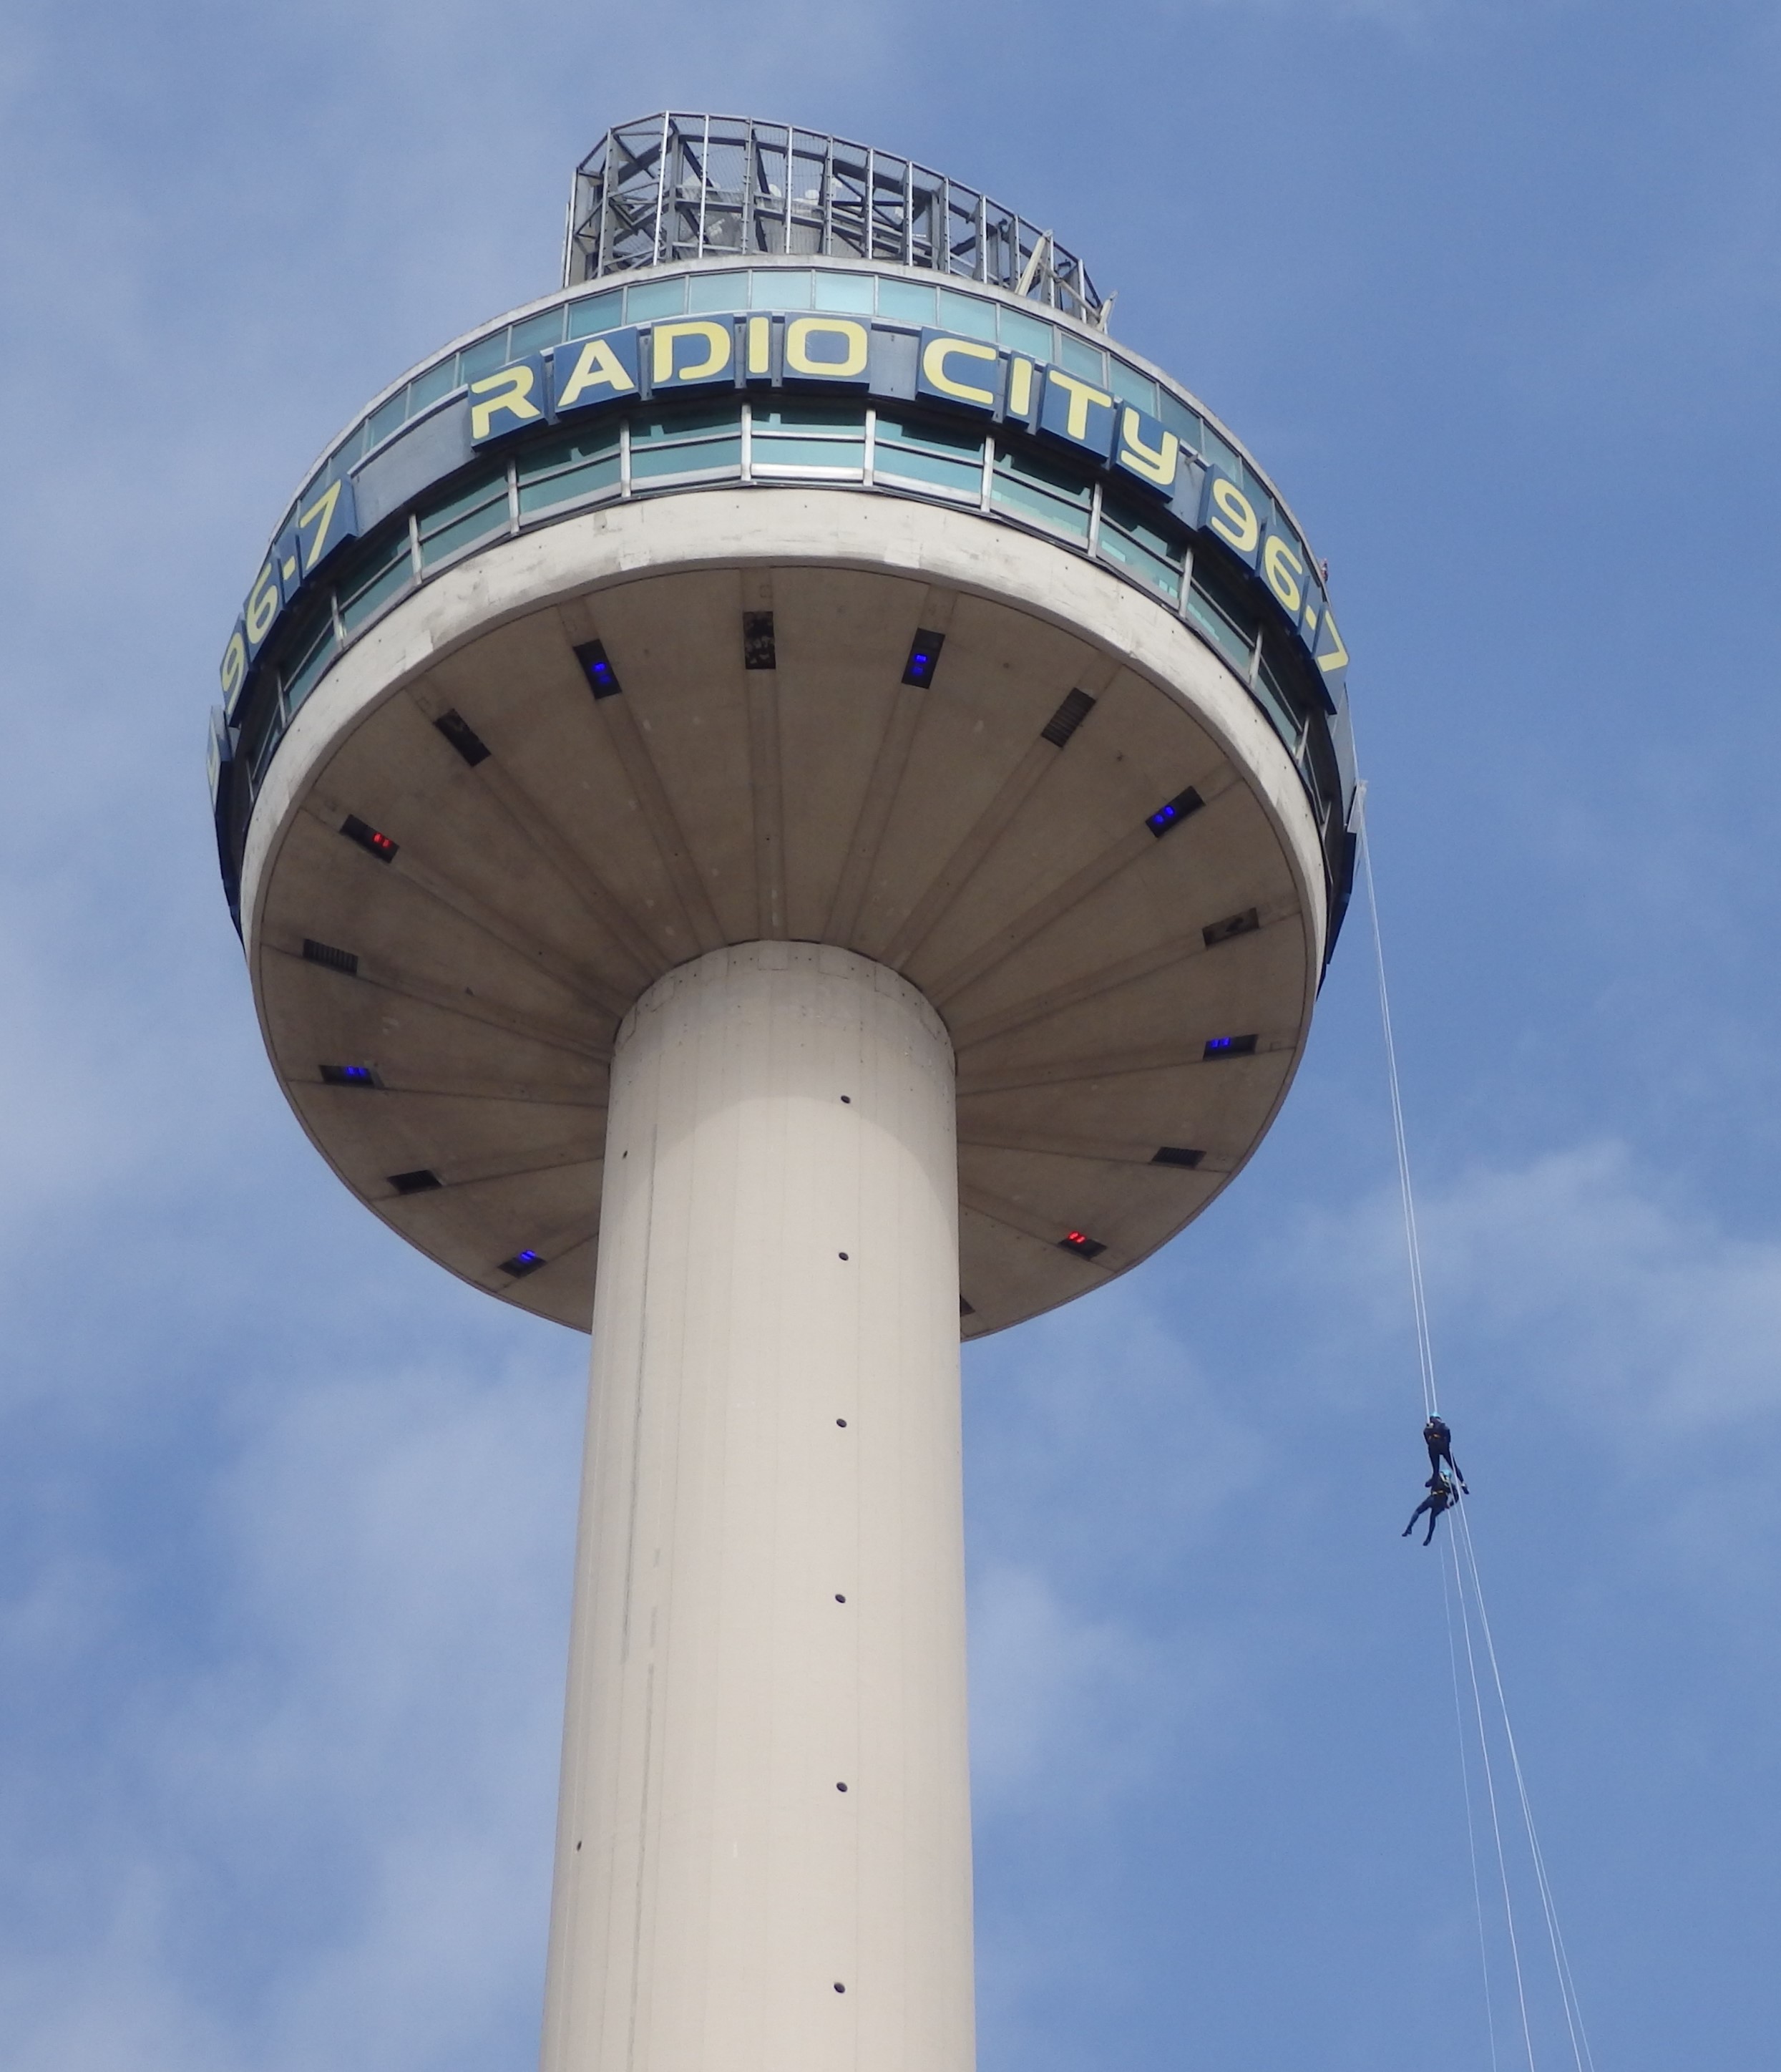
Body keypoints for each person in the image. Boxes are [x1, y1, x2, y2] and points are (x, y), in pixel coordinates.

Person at [1402, 1473, 1456, 1547]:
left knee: (1418, 1511)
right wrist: (1450, 1504)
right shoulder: (1451, 1485)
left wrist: (1431, 1481)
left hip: (1433, 1498)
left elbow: (1427, 1484)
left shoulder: (1437, 1478)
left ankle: (1409, 1528)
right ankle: (1429, 1537)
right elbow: (1456, 1497)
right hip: (1442, 1502)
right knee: (1433, 1517)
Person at [1423, 1415, 1468, 1492]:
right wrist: (1446, 1444)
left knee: (1436, 1468)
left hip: (1435, 1446)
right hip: (1441, 1445)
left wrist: (1431, 1440)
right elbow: (1447, 1432)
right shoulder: (1440, 1425)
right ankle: (1462, 1482)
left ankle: (1434, 1479)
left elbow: (1426, 1434)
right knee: (1453, 1466)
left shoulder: (1433, 1426)